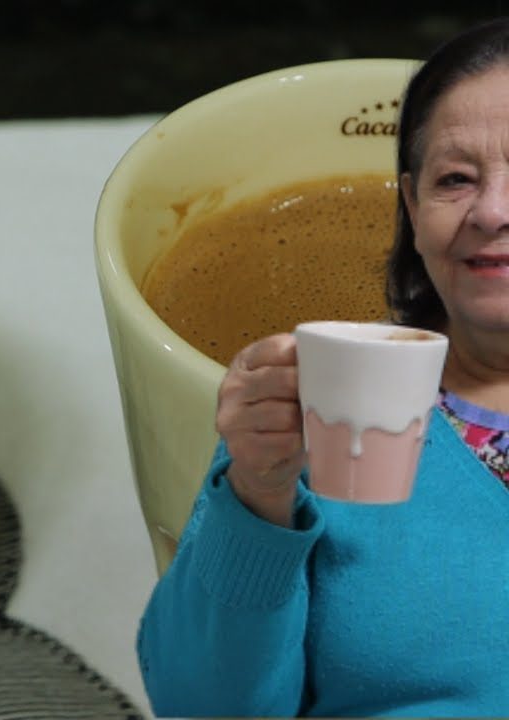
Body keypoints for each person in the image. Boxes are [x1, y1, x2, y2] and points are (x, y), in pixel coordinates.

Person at [137, 17, 509, 718]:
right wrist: (258, 491)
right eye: (456, 179)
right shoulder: (329, 405)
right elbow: (202, 707)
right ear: (411, 206)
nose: (491, 210)